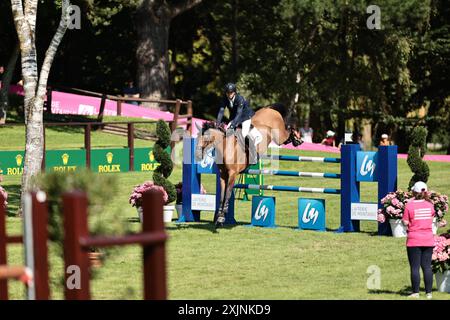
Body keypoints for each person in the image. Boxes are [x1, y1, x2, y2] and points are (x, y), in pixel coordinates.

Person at [402, 181, 435, 299]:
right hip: (428, 239)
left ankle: (415, 292)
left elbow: (405, 221)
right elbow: (432, 218)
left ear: (414, 192)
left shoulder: (409, 205)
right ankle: (429, 293)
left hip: (414, 239)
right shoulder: (430, 205)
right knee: (426, 266)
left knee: (415, 267)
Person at [216, 82, 257, 163]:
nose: (229, 94)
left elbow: (239, 114)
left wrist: (233, 125)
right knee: (227, 133)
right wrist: (217, 123)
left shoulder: (240, 99)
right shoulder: (224, 99)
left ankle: (253, 155)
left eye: (231, 92)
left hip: (245, 117)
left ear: (234, 92)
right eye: (227, 92)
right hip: (235, 117)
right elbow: (221, 111)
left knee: (244, 134)